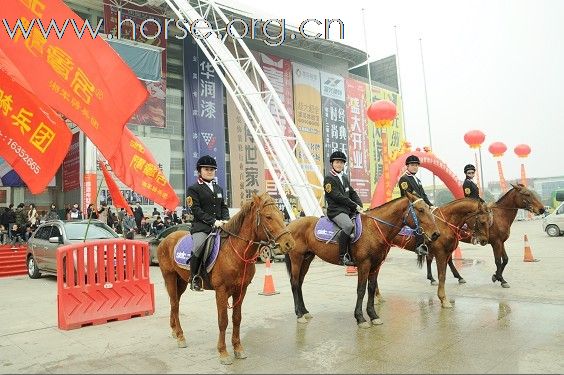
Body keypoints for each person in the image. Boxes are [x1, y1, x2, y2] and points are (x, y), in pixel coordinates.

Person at [186, 155, 230, 291]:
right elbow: (196, 210)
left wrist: (226, 220)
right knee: (198, 246)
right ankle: (194, 278)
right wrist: (213, 221)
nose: (209, 171)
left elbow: (223, 206)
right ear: (200, 171)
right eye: (206, 169)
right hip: (202, 227)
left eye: (212, 169)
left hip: (220, 225)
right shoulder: (193, 189)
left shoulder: (218, 189)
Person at [323, 151, 363, 266]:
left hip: (347, 209)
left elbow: (352, 192)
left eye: (341, 162)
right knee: (348, 226)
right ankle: (342, 256)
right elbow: (337, 197)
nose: (339, 164)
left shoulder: (344, 177)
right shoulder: (329, 178)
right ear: (332, 163)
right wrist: (354, 205)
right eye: (337, 162)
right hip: (336, 210)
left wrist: (360, 204)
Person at [398, 155, 434, 256]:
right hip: (411, 207)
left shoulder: (417, 180)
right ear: (407, 166)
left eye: (417, 165)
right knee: (418, 221)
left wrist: (430, 205)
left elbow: (423, 195)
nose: (415, 167)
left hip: (421, 206)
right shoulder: (404, 179)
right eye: (412, 165)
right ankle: (419, 246)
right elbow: (407, 196)